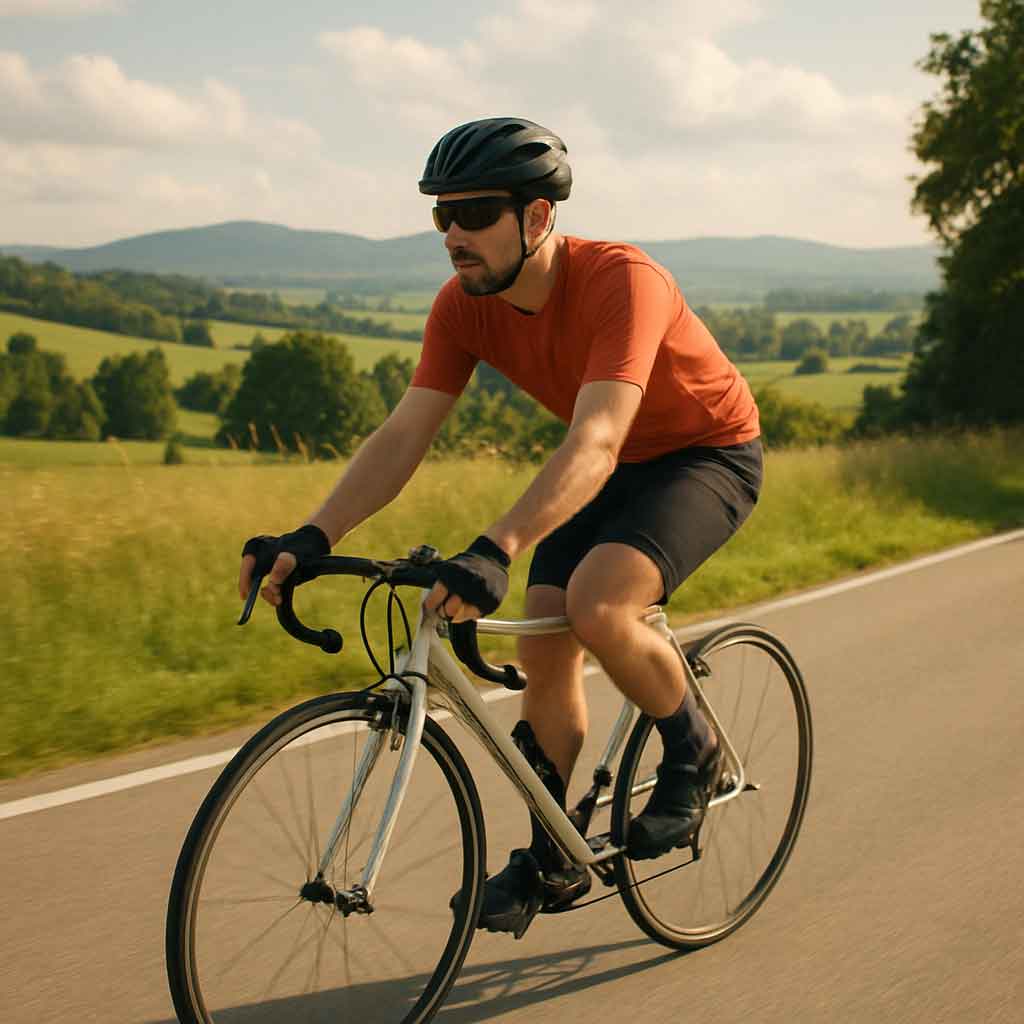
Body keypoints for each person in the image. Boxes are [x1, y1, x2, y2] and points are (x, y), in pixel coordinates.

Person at [239, 117, 762, 941]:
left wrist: (498, 546)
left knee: (599, 605)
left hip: (705, 454)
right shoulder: (464, 308)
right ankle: (554, 853)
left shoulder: (623, 280)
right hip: (608, 464)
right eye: (441, 215)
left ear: (538, 217)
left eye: (476, 213)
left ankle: (694, 752)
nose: (454, 234)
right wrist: (313, 536)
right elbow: (404, 435)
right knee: (546, 644)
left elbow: (598, 438)